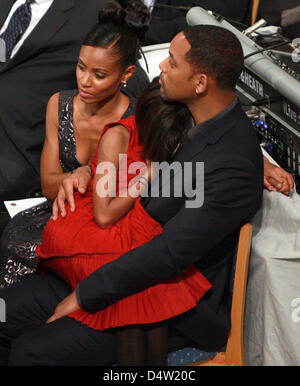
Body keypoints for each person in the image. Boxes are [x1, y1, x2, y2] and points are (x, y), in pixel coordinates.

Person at [0, 24, 272, 366]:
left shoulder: (232, 166)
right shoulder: (189, 112)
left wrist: (85, 295)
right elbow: (131, 141)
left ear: (200, 83)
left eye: (172, 63)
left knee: (32, 353)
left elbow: (168, 254)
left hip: (168, 302)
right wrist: (84, 170)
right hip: (116, 263)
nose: (161, 67)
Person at [35, 77, 212, 366]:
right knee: (142, 281)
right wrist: (146, 178)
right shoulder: (118, 136)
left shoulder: (175, 133)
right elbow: (104, 215)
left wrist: (264, 164)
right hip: (92, 226)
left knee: (150, 284)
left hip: (131, 226)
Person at [0, 0, 150, 288]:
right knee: (16, 240)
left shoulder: (136, 119)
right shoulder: (60, 105)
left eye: (99, 75)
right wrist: (75, 176)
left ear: (125, 75)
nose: (85, 81)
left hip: (109, 221)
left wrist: (93, 175)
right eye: (81, 68)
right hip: (55, 210)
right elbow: (49, 184)